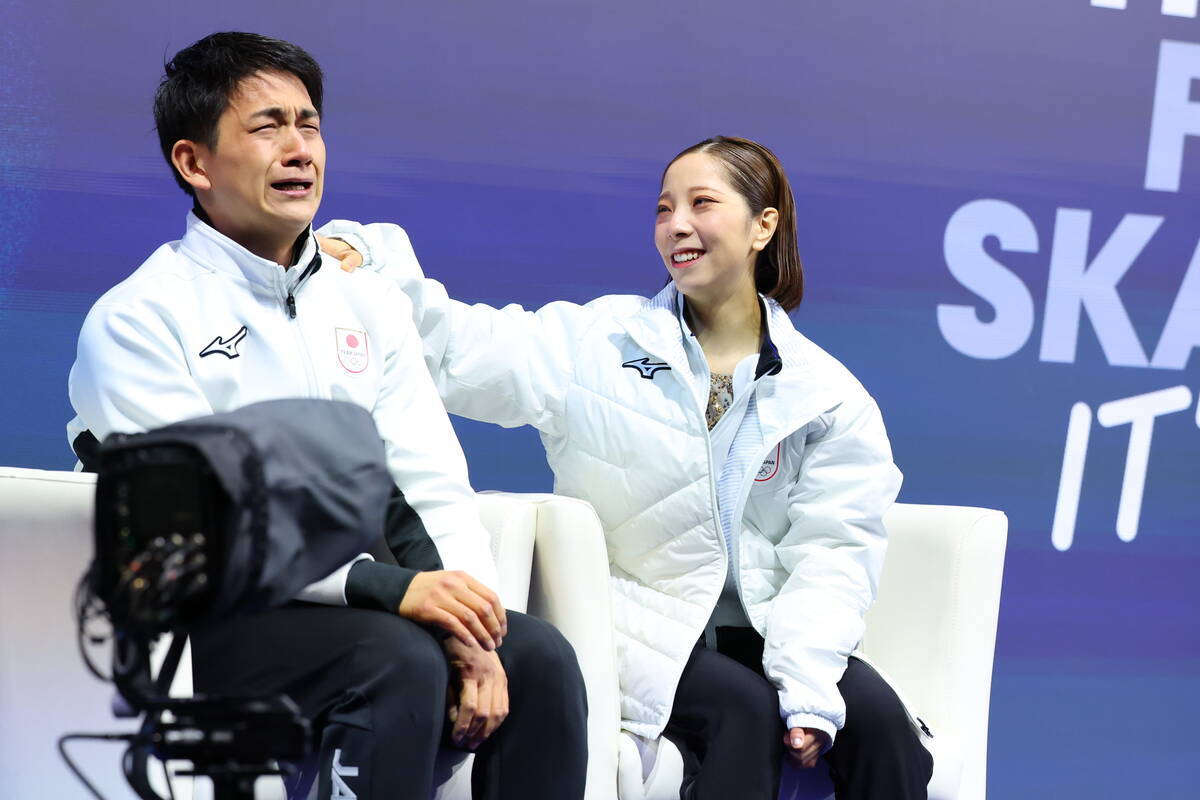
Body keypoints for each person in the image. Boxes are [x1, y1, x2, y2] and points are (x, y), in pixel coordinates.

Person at [321, 136, 935, 799]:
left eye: (702, 203)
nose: (677, 225)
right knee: (746, 714)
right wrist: (371, 258)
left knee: (885, 732)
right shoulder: (598, 342)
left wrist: (808, 682)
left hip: (770, 629)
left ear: (764, 226)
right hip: (644, 623)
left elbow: (833, 553)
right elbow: (456, 347)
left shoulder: (826, 395)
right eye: (664, 209)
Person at [66, 32, 587, 800]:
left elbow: (426, 483)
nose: (299, 149)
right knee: (392, 659)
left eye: (308, 125)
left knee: (537, 656)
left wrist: (470, 627)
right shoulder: (138, 318)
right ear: (194, 162)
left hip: (342, 604)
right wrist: (384, 588)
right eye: (267, 126)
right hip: (196, 627)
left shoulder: (368, 303)